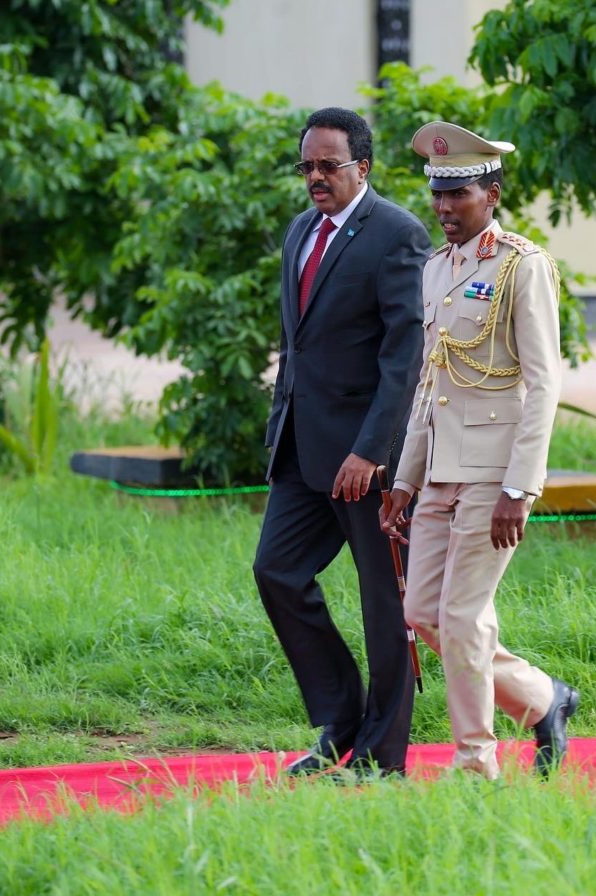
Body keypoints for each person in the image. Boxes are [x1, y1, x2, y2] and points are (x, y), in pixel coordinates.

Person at [381, 120, 578, 779]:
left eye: (457, 195)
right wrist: (404, 481)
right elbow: (428, 386)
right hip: (440, 471)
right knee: (423, 612)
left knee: (461, 618)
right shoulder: (439, 270)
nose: (443, 209)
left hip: (494, 474)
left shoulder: (524, 267)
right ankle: (545, 699)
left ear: (491, 194)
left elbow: (545, 381)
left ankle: (476, 765)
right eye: (437, 196)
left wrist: (520, 489)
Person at [253, 107, 431, 777]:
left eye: (330, 165)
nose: (316, 178)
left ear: (364, 166)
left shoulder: (397, 234)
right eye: (308, 166)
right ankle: (340, 719)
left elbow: (403, 356)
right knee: (276, 571)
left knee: (386, 605)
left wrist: (375, 451)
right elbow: (293, 347)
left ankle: (383, 759)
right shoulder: (299, 232)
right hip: (302, 453)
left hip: (368, 458)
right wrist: (279, 431)